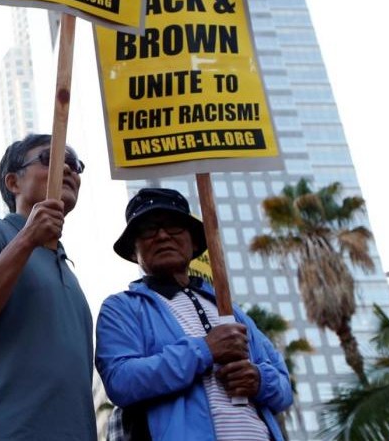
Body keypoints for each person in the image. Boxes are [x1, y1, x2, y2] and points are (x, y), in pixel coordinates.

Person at [95, 187, 292, 441]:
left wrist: (259, 380)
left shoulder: (230, 310)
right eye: (148, 229)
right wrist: (204, 350)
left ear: (195, 242)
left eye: (174, 226)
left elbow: (284, 387)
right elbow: (121, 381)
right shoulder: (121, 308)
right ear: (134, 251)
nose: (163, 235)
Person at [0, 134, 97, 441]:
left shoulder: (68, 271)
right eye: (51, 159)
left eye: (75, 164)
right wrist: (28, 237)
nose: (68, 169)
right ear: (13, 182)